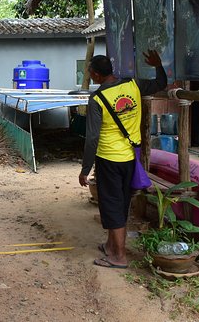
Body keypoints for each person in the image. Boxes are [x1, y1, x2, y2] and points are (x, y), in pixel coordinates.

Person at [79, 50, 167, 268]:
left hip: (109, 159)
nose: (90, 76)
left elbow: (92, 138)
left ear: (98, 75)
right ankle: (111, 246)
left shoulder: (97, 99)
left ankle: (119, 256)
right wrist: (158, 65)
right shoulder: (133, 85)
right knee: (121, 203)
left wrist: (85, 168)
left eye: (91, 73)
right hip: (130, 158)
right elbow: (160, 83)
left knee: (112, 206)